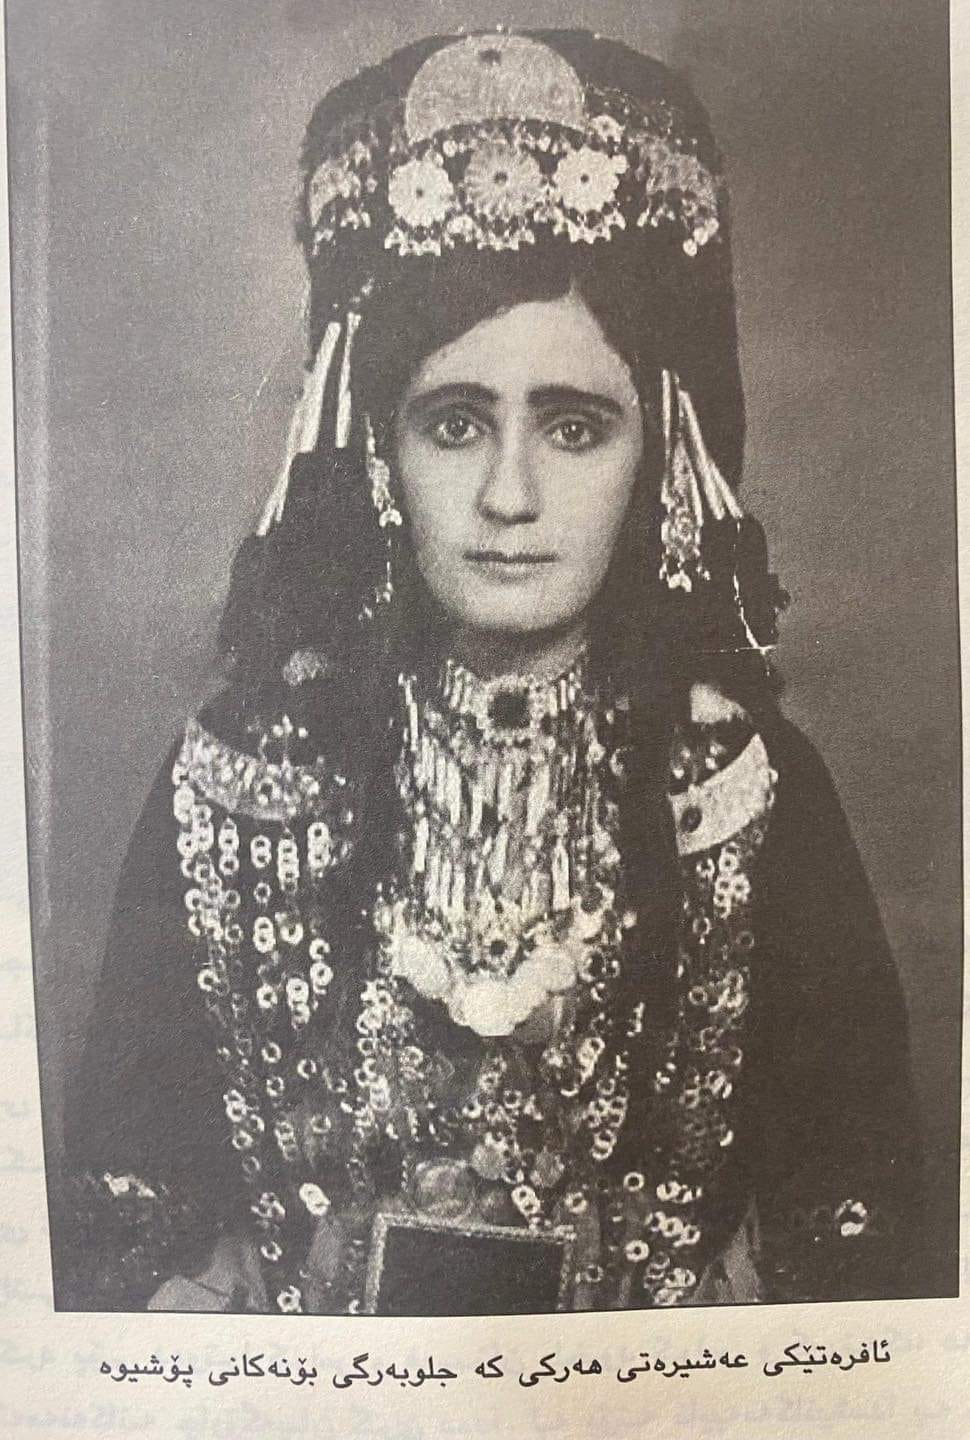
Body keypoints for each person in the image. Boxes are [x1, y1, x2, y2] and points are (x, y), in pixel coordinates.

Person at [61, 29, 921, 1315]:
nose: (509, 496)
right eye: (455, 423)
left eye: (574, 427)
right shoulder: (233, 788)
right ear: (379, 453)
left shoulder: (747, 792)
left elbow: (860, 1236)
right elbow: (123, 1228)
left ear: (655, 457)